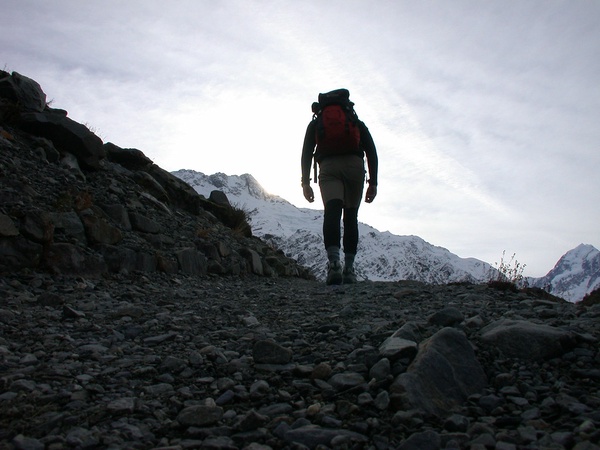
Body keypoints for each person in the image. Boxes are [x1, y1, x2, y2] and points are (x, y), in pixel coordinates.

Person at [301, 89, 378, 285]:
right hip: (354, 167)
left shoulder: (317, 124)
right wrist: (373, 183)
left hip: (328, 167)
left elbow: (306, 153)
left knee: (332, 212)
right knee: (351, 215)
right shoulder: (354, 122)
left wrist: (305, 183)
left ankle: (334, 265)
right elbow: (371, 151)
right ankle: (350, 269)